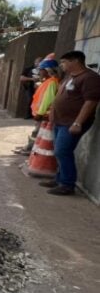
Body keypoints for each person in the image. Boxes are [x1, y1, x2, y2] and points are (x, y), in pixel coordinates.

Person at [39, 51, 100, 195]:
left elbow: (91, 101)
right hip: (60, 121)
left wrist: (78, 123)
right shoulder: (69, 77)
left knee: (63, 151)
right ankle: (59, 178)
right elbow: (60, 97)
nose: (61, 65)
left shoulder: (90, 78)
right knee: (60, 151)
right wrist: (52, 113)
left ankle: (67, 184)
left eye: (64, 62)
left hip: (72, 123)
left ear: (75, 61)